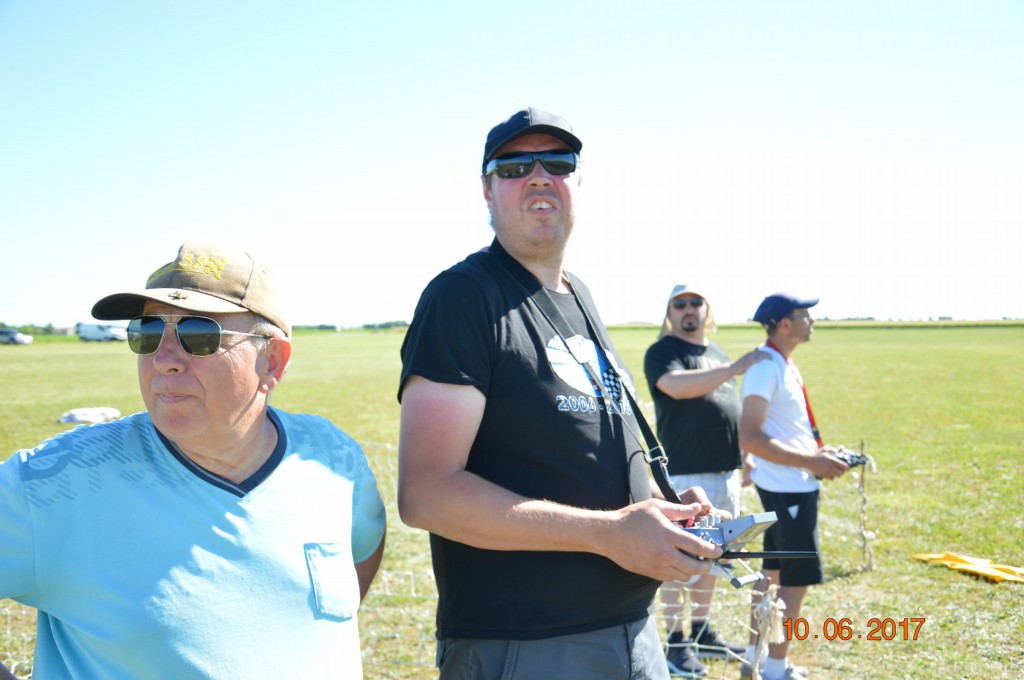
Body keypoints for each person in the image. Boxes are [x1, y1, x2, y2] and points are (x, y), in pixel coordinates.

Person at [397, 107, 725, 680]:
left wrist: (663, 507)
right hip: (527, 645)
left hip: (632, 628)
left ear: (576, 183)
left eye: (558, 163)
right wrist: (609, 534)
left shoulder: (580, 295)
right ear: (486, 188)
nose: (540, 176)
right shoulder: (462, 297)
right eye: (515, 166)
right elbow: (426, 494)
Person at [0, 241, 387, 679]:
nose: (163, 360)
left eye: (198, 335)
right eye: (146, 333)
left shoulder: (333, 458)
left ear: (272, 361)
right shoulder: (57, 482)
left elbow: (359, 557)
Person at [644, 284, 768, 677]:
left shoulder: (715, 352)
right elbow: (675, 388)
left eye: (696, 302)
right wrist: (733, 370)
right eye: (679, 304)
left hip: (725, 471)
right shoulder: (664, 351)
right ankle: (676, 642)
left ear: (707, 309)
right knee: (681, 558)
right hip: (687, 473)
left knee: (715, 558)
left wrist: (743, 458)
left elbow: (726, 407)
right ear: (669, 313)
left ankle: (701, 632)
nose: (688, 310)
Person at [738, 293, 849, 680]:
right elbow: (750, 437)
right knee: (794, 584)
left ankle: (753, 659)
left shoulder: (780, 363)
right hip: (789, 489)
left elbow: (781, 429)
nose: (812, 321)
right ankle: (774, 668)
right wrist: (811, 462)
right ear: (785, 323)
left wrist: (818, 451)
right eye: (806, 315)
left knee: (771, 574)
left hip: (789, 484)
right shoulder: (766, 367)